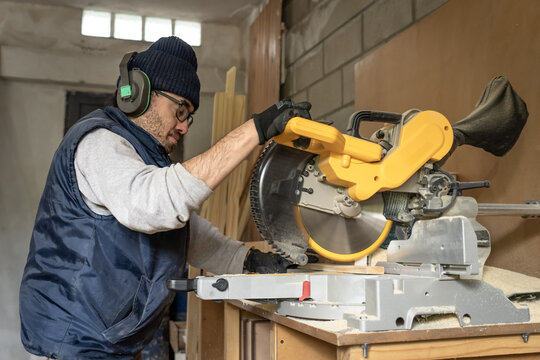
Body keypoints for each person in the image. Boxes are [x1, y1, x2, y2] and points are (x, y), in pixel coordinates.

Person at [19, 36, 312, 359]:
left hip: (105, 342)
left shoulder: (142, 157)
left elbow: (181, 231)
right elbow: (152, 206)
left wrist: (247, 260)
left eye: (190, 116)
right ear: (139, 94)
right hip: (73, 343)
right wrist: (255, 130)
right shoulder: (100, 143)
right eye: (181, 109)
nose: (184, 126)